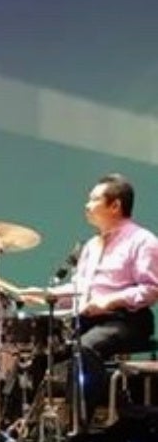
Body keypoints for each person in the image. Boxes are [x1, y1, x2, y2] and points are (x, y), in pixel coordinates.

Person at [60, 174, 158, 423]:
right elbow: (81, 288)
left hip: (127, 320)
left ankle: (80, 426)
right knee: (40, 348)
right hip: (90, 320)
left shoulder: (143, 241)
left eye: (94, 199)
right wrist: (48, 296)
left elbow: (151, 289)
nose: (87, 205)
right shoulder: (91, 245)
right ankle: (21, 426)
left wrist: (111, 300)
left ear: (115, 206)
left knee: (84, 348)